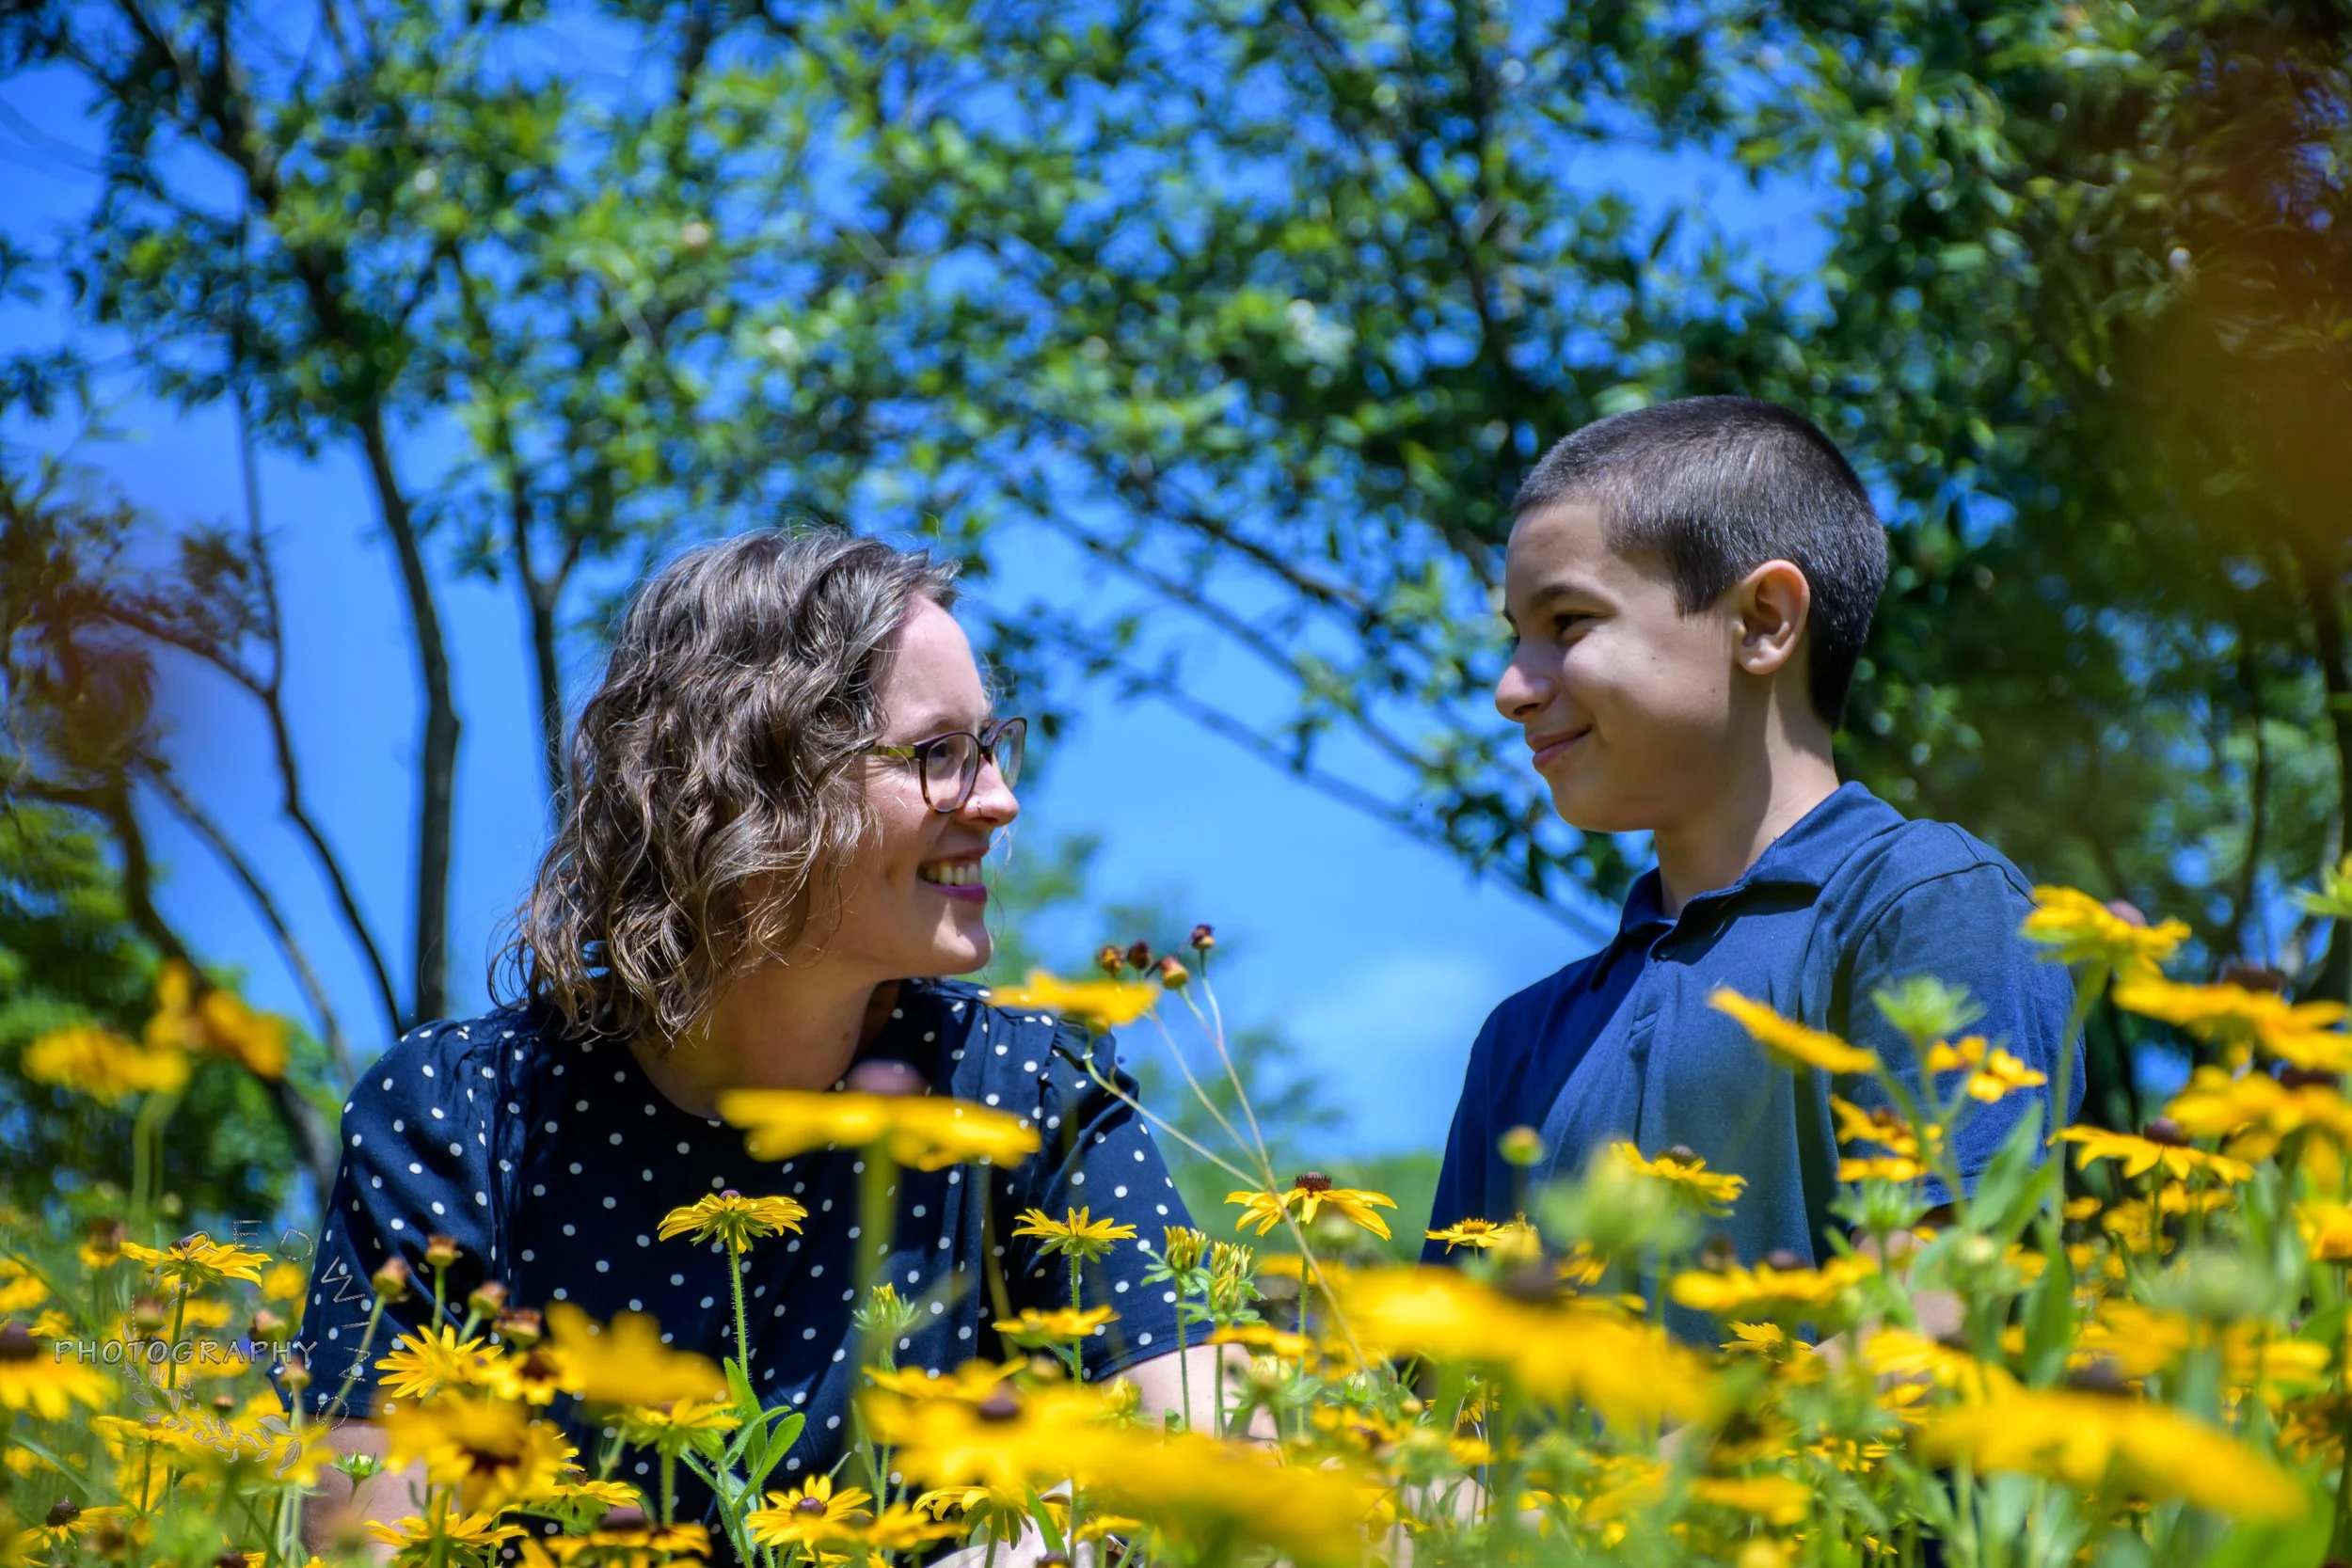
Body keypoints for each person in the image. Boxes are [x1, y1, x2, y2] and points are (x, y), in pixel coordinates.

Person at [281, 531, 1221, 1553]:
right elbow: (370, 1531)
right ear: (755, 781)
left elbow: (1218, 1476)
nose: (997, 800)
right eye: (939, 754)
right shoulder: (462, 1111)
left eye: (991, 746)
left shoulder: (1035, 1089)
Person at [1422, 397, 2081, 1340]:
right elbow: (1441, 1425)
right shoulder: (1521, 1039)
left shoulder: (1923, 905)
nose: (1511, 689)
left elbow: (1935, 1319)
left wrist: (1632, 1492)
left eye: (1566, 624)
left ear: (1764, 619)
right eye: (1512, 639)